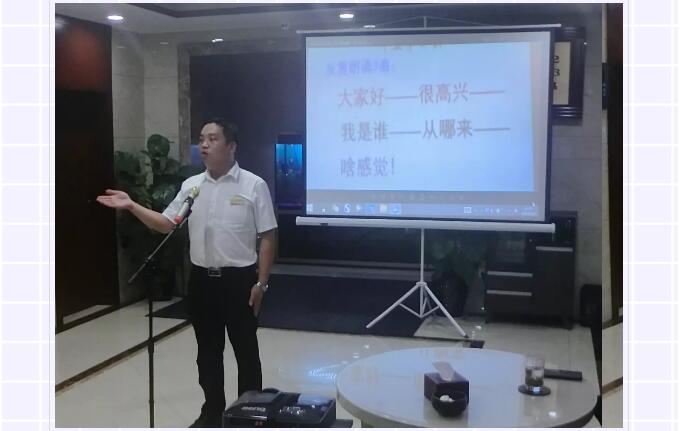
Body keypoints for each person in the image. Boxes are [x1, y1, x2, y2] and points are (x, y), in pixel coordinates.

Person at [97, 119, 277, 427]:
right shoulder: (192, 186)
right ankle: (212, 412)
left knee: (246, 351)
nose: (204, 144)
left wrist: (261, 283)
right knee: (207, 352)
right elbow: (167, 223)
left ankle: (247, 415)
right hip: (202, 281)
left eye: (212, 138)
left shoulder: (253, 185)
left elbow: (268, 236)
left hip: (240, 281)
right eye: (201, 138)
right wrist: (132, 206)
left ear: (231, 146)